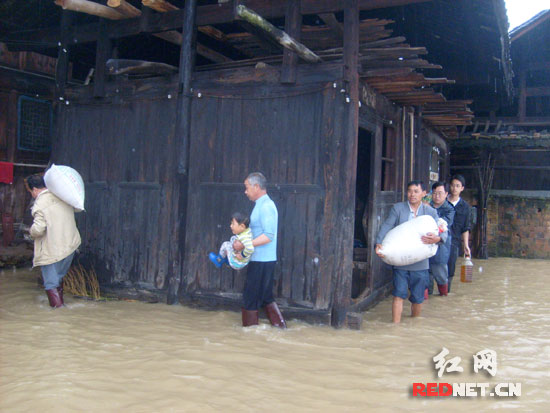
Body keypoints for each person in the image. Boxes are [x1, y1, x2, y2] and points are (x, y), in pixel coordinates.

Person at [375, 180, 441, 323]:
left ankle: (414, 324)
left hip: (421, 263)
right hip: (401, 262)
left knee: (418, 298)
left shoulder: (430, 212)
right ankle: (395, 327)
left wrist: (438, 238)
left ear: (424, 193)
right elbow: (387, 225)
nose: (412, 194)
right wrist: (379, 242)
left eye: (416, 191)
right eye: (410, 191)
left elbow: (442, 229)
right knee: (398, 294)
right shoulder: (398, 209)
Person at [25, 174, 81, 308]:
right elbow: (77, 208)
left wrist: (30, 231)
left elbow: (38, 229)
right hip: (70, 245)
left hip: (53, 250)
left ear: (34, 189)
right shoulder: (62, 195)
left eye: (30, 192)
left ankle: (57, 313)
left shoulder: (40, 203)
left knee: (50, 283)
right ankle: (62, 305)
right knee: (58, 278)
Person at [241, 172, 286, 328]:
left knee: (250, 297)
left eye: (247, 188)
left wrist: (244, 245)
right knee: (265, 296)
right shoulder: (261, 205)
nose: (245, 192)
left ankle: (249, 332)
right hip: (262, 259)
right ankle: (280, 328)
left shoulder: (266, 206)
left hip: (262, 260)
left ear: (256, 187)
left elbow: (268, 236)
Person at [427, 182, 454, 296]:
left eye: (440, 193)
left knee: (441, 273)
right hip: (426, 243)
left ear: (446, 194)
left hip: (441, 245)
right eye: (434, 193)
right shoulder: (426, 206)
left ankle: (443, 294)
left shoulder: (449, 209)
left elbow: (443, 224)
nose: (437, 196)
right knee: (425, 276)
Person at [447, 174, 471, 292]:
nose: (454, 188)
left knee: (450, 268)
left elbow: (465, 228)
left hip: (455, 241)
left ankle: (445, 291)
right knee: (433, 267)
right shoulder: (443, 202)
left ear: (462, 188)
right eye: (452, 185)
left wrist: (465, 245)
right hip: (439, 240)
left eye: (457, 186)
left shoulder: (465, 207)